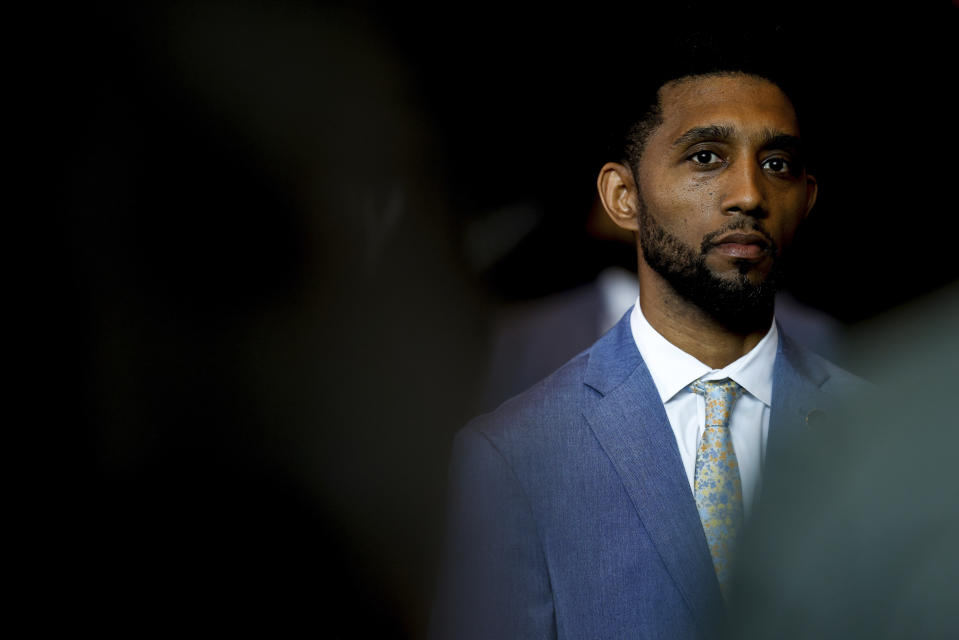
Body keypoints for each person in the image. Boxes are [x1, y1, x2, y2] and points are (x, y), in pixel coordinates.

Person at [430, 58, 869, 639]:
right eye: (706, 157)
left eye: (777, 164)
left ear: (807, 199)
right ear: (622, 197)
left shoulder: (882, 433)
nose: (748, 193)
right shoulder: (515, 455)